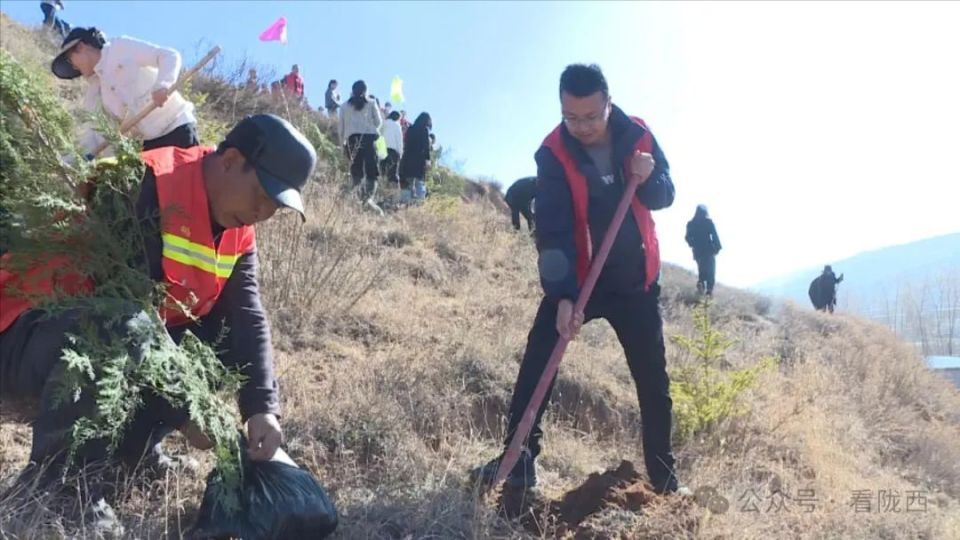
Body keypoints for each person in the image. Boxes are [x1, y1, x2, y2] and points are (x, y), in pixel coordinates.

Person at [0, 114, 316, 526]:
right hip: (26, 330)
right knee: (122, 327)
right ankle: (59, 494)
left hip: (112, 342)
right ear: (230, 159)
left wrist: (262, 408)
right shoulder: (141, 182)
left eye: (275, 206)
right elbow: (128, 305)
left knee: (217, 344)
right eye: (261, 194)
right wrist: (189, 410)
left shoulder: (239, 229)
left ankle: (130, 453)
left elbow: (246, 315)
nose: (263, 212)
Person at [471, 64, 685, 496]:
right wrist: (564, 296)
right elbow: (552, 228)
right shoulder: (553, 153)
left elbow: (665, 193)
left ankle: (664, 478)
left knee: (653, 381)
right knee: (538, 361)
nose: (582, 127)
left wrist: (646, 179)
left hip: (635, 284)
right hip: (581, 277)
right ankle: (519, 460)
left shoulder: (639, 134)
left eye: (591, 116)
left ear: (608, 103)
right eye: (572, 117)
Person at [51, 27, 199, 154]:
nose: (75, 68)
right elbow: (96, 132)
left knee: (191, 184)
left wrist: (163, 85)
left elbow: (168, 55)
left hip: (177, 126)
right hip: (150, 145)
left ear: (81, 47)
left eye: (71, 60)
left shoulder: (119, 48)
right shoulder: (96, 90)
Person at [339, 80, 383, 202]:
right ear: (365, 90)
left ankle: (354, 197)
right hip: (368, 138)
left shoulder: (344, 106)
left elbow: (341, 128)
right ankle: (367, 199)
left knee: (356, 170)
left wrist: (342, 144)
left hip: (351, 139)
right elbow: (379, 122)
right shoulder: (371, 103)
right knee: (371, 171)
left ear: (352, 91)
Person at [684, 204, 722, 295]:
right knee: (710, 272)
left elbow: (687, 238)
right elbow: (715, 236)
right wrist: (717, 248)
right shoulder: (708, 222)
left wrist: (693, 244)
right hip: (709, 251)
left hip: (698, 252)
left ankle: (701, 289)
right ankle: (709, 292)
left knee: (702, 271)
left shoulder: (691, 223)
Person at [399, 112, 432, 201]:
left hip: (408, 158)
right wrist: (428, 160)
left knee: (408, 182)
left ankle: (405, 202)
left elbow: (406, 143)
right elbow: (426, 147)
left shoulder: (411, 128)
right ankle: (419, 202)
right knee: (419, 182)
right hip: (419, 160)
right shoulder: (424, 130)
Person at [380, 111, 404, 191]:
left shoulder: (384, 123)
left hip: (382, 149)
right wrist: (400, 153)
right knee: (393, 174)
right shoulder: (397, 125)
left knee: (382, 171)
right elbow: (399, 140)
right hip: (393, 151)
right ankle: (393, 193)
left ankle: (381, 190)